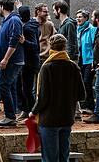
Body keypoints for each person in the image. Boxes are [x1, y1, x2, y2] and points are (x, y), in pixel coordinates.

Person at [29, 34, 84, 162]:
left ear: (50, 47)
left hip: (49, 120)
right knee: (64, 157)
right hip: (67, 118)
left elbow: (43, 97)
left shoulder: (47, 67)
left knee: (49, 158)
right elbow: (82, 95)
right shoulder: (73, 67)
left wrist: (33, 112)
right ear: (65, 47)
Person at [0, 0, 24, 127]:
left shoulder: (14, 20)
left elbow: (14, 40)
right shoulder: (7, 20)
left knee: (3, 85)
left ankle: (10, 116)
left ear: (1, 6)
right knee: (8, 86)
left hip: (12, 61)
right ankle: (11, 114)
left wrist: (5, 59)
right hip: (7, 60)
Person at [18, 5, 40, 122]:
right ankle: (26, 110)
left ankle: (31, 113)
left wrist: (24, 41)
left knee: (27, 89)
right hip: (28, 61)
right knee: (22, 88)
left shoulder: (29, 28)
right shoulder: (31, 24)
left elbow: (35, 46)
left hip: (29, 62)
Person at [75, 9, 96, 115]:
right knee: (82, 82)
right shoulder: (77, 29)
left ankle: (90, 106)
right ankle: (84, 105)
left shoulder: (92, 29)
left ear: (86, 18)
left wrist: (94, 60)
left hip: (89, 60)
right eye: (77, 17)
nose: (78, 19)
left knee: (87, 82)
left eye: (80, 17)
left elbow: (94, 46)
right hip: (80, 59)